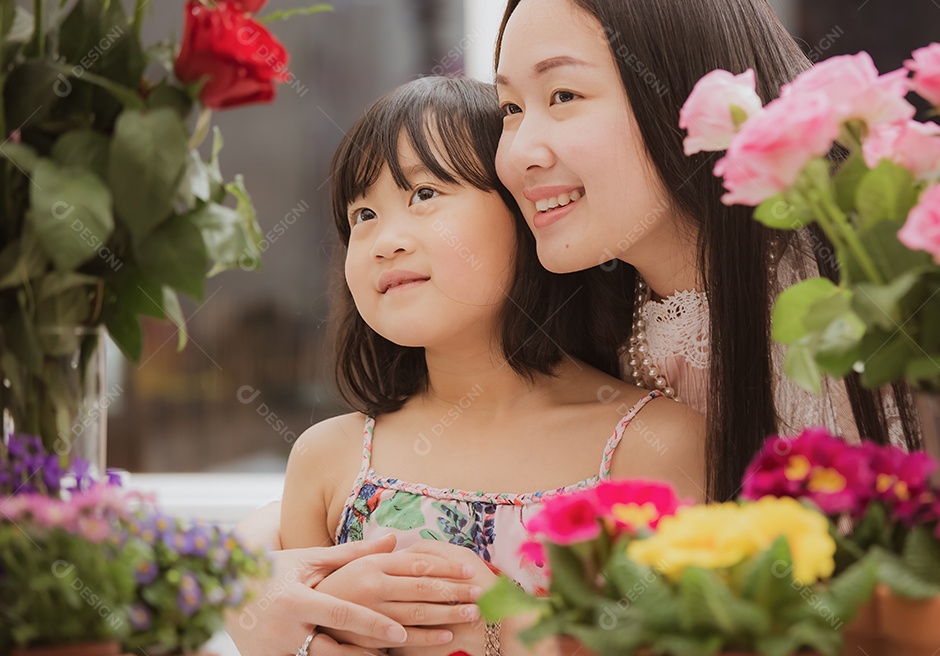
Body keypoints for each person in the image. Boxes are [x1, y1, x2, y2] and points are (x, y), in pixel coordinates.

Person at [229, 76, 706, 656]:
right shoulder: (328, 460)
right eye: (363, 214)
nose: (384, 241)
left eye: (424, 194)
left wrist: (504, 631)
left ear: (527, 210)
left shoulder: (655, 444)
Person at [492, 0, 921, 502]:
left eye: (564, 95)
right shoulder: (566, 332)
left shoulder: (871, 296)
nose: (519, 154)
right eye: (511, 109)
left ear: (678, 87)